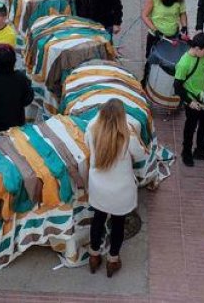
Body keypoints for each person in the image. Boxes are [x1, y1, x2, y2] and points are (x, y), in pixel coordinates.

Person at [85, 99, 147, 277]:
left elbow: (88, 146)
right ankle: (113, 260)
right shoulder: (129, 136)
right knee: (118, 224)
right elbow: (141, 154)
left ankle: (94, 255)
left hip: (98, 187)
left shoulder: (91, 129)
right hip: (121, 190)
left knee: (98, 219)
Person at [174, 33, 204, 167]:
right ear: (197, 48)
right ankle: (186, 152)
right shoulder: (183, 64)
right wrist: (189, 101)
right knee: (190, 127)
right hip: (192, 100)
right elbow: (177, 87)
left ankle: (200, 150)